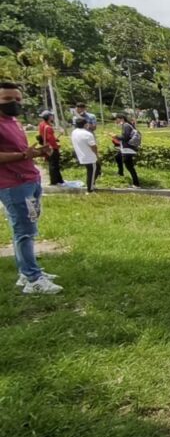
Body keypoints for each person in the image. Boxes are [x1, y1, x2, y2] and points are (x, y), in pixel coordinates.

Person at [0, 82, 62, 294]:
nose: (14, 103)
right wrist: (24, 155)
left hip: (29, 179)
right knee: (24, 231)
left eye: (17, 99)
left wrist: (37, 152)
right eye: (8, 99)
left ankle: (26, 272)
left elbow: (21, 150)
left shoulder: (13, 121)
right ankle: (32, 279)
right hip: (13, 184)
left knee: (28, 229)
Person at [71, 116, 99, 193]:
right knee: (91, 172)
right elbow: (93, 146)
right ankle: (90, 190)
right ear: (85, 124)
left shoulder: (74, 132)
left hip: (81, 156)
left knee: (97, 169)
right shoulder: (87, 134)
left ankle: (92, 184)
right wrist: (97, 155)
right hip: (90, 157)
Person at [114, 113, 141, 187]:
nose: (116, 121)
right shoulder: (126, 125)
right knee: (118, 156)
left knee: (129, 166)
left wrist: (116, 136)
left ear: (121, 119)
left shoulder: (126, 125)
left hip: (128, 148)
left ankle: (136, 183)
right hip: (126, 147)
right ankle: (120, 172)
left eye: (117, 119)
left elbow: (125, 137)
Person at [37, 111, 63, 186]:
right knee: (54, 165)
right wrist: (56, 146)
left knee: (52, 164)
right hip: (51, 148)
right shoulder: (48, 128)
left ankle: (59, 180)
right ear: (49, 117)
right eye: (51, 115)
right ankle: (55, 181)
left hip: (46, 147)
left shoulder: (42, 124)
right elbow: (51, 139)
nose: (53, 117)